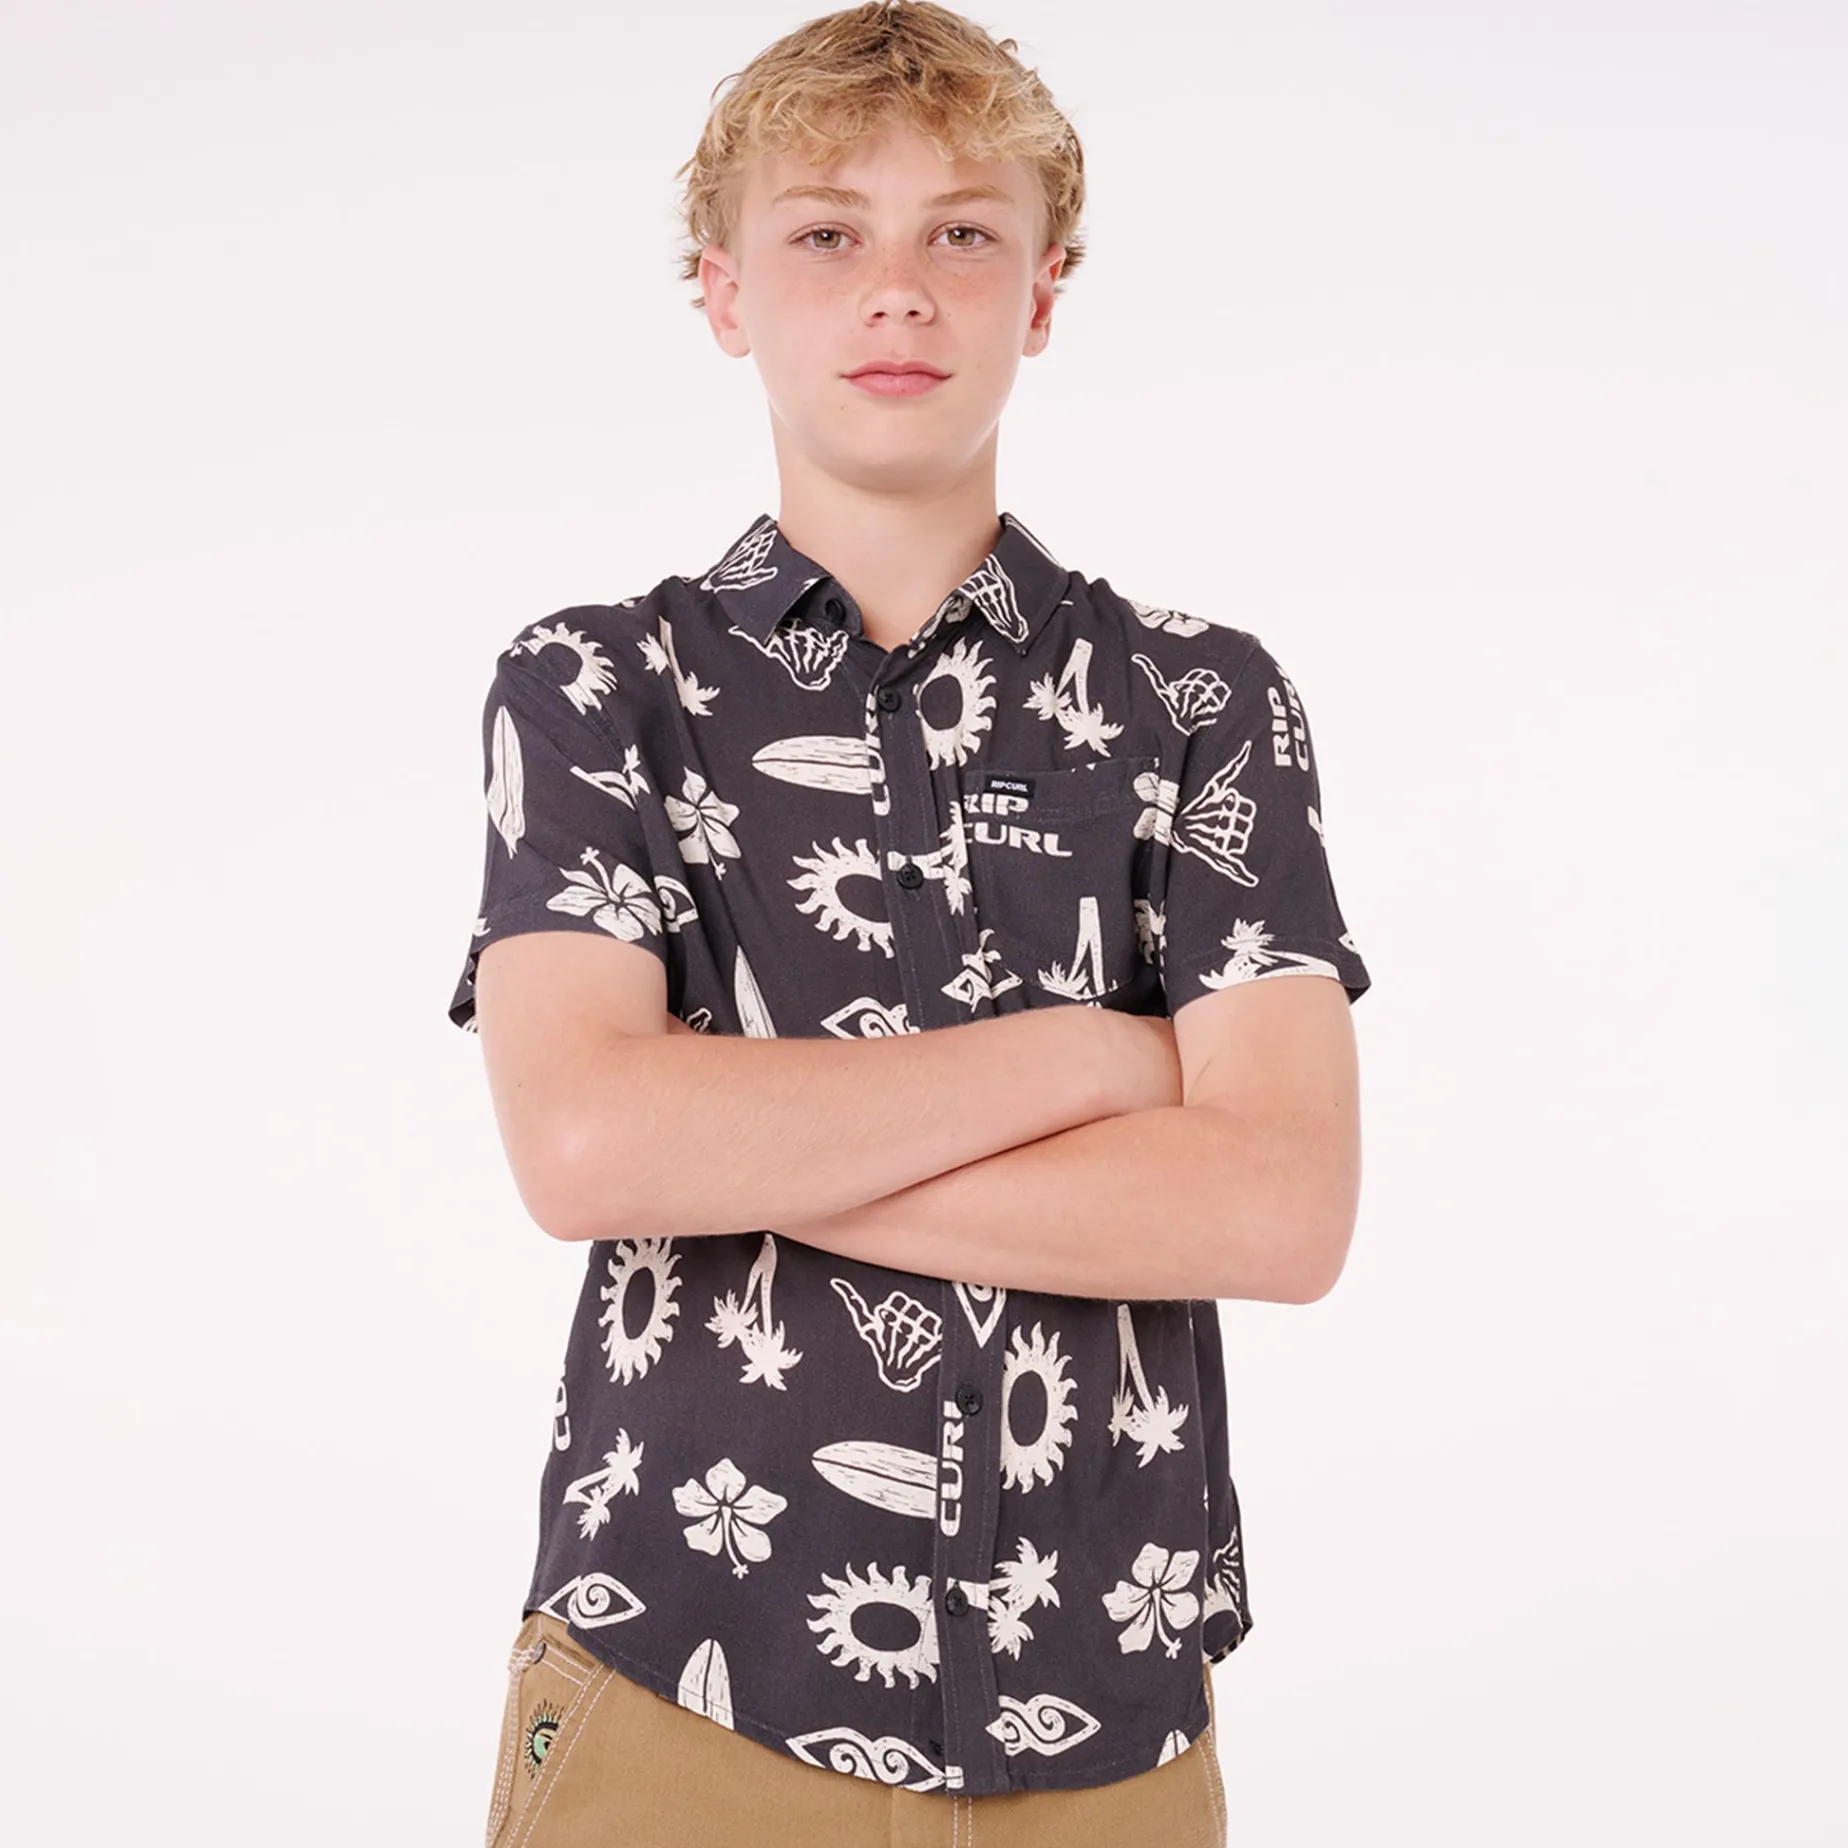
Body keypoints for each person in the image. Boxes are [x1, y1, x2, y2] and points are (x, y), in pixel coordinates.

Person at [447, 5, 1371, 1843]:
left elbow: (1279, 1209)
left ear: (1042, 292)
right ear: (723, 293)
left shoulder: (1200, 703)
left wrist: (737, 1135)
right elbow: (588, 1147)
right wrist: (1101, 1058)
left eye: (962, 231)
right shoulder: (597, 689)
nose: (898, 289)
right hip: (684, 1673)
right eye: (825, 232)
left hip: (1109, 1695)